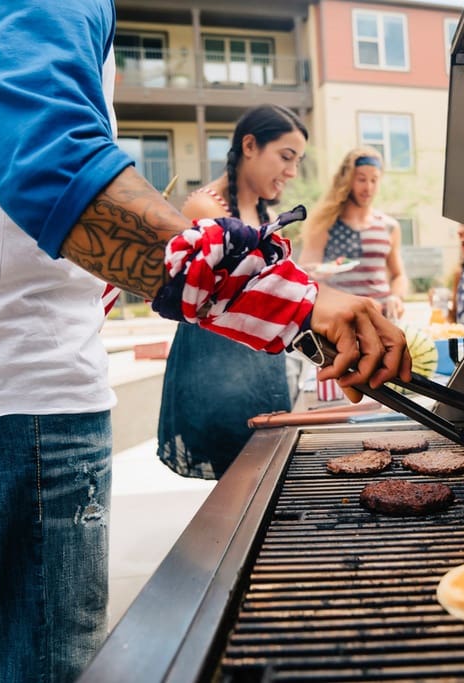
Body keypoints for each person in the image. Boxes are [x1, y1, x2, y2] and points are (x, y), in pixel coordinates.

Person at [0, 3, 410, 681]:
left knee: (10, 644)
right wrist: (296, 301)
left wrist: (215, 269)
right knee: (45, 666)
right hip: (11, 392)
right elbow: (57, 170)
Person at [158, 104, 309, 480]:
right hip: (216, 362)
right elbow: (231, 286)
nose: (291, 172)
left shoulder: (259, 209)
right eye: (285, 157)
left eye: (297, 161)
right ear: (250, 146)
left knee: (263, 471)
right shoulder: (205, 205)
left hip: (257, 360)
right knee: (237, 478)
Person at [299, 147, 409, 320]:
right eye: (361, 179)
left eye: (374, 180)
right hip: (339, 322)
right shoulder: (324, 225)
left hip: (382, 321)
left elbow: (399, 275)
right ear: (347, 180)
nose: (368, 187)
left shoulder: (389, 227)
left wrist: (396, 297)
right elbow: (306, 278)